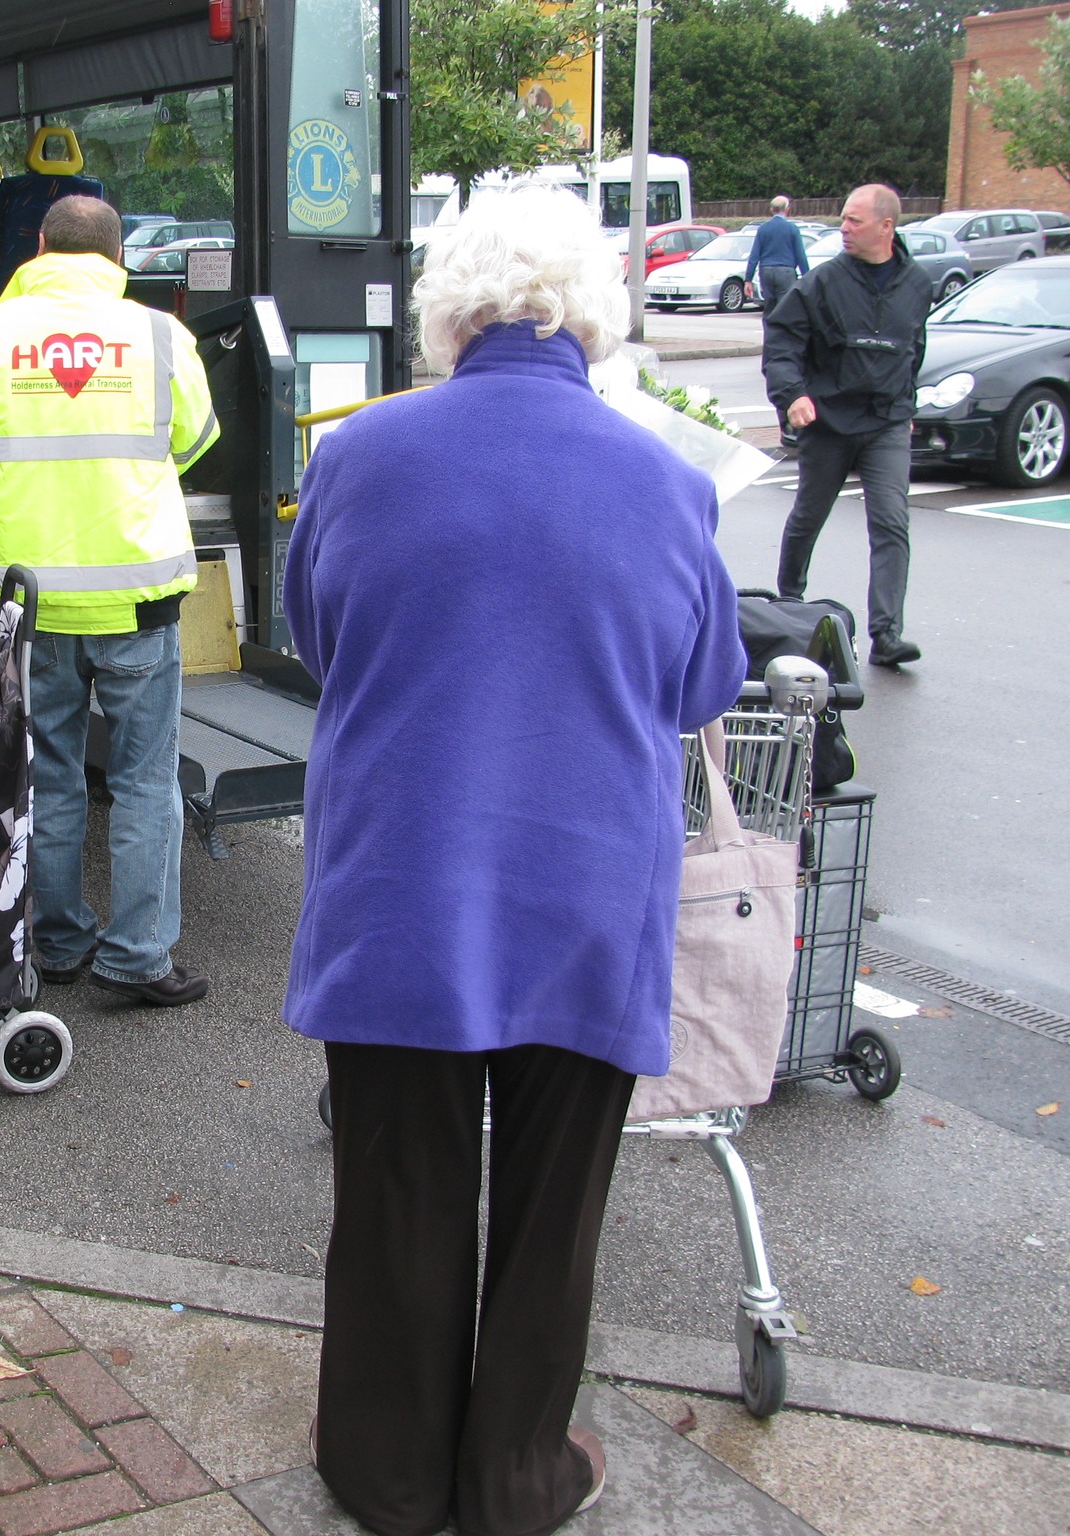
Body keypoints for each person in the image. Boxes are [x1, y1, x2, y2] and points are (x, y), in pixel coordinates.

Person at [283, 185, 746, 1536]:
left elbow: (322, 635)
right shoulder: (664, 479)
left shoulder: (361, 456)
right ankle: (517, 1478)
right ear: (594, 316)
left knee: (395, 1193)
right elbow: (702, 680)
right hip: (588, 887)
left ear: (447, 313)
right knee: (554, 1209)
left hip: (402, 879)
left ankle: (387, 1468)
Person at [0, 194, 220, 1005]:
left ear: (39, 247)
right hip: (138, 597)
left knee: (42, 775)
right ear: (118, 258)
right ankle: (139, 957)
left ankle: (57, 943)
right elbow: (191, 441)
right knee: (148, 782)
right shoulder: (160, 336)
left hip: (27, 607)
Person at [764, 183, 935, 667]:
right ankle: (789, 604)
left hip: (887, 423)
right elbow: (782, 339)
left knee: (890, 521)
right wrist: (792, 395)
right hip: (829, 421)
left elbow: (913, 350)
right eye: (842, 218)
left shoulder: (918, 284)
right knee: (808, 516)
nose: (843, 227)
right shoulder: (822, 283)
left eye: (854, 220)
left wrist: (907, 404)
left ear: (887, 226)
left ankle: (887, 634)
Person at [744, 195, 811, 445]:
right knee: (788, 315)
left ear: (771, 209)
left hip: (767, 271)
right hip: (785, 271)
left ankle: (771, 341)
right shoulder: (792, 228)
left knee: (770, 314)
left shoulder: (763, 228)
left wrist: (748, 278)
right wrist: (808, 279)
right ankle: (782, 342)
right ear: (787, 209)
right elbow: (800, 255)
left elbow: (755, 254)